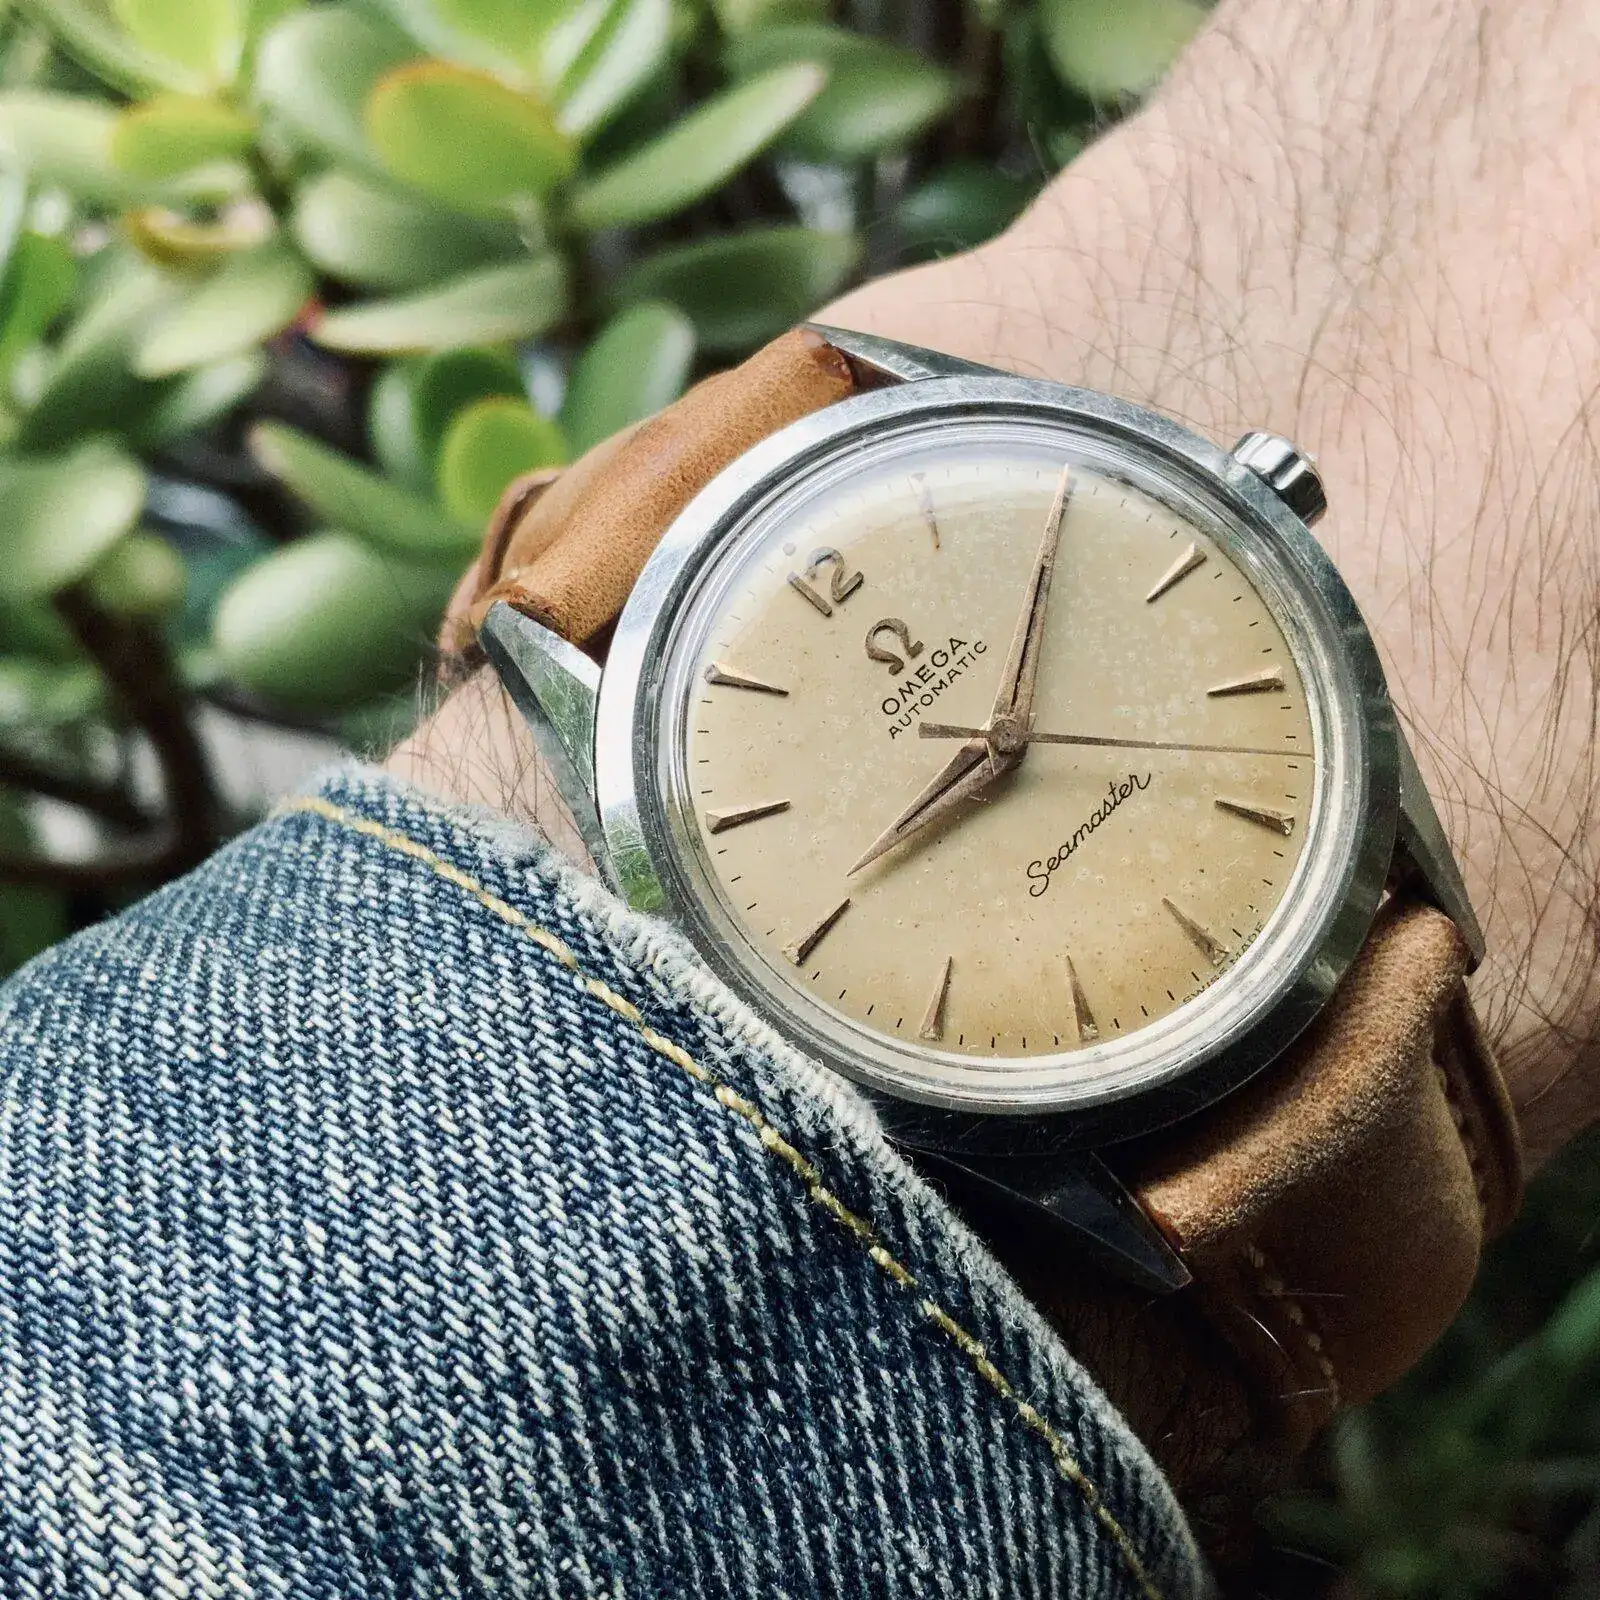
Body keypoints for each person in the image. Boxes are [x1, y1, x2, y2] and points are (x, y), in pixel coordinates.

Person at [2, 0, 1594, 1592]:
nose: (993, 749)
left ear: (1263, 492)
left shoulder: (874, 416)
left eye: (998, 744)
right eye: (982, 757)